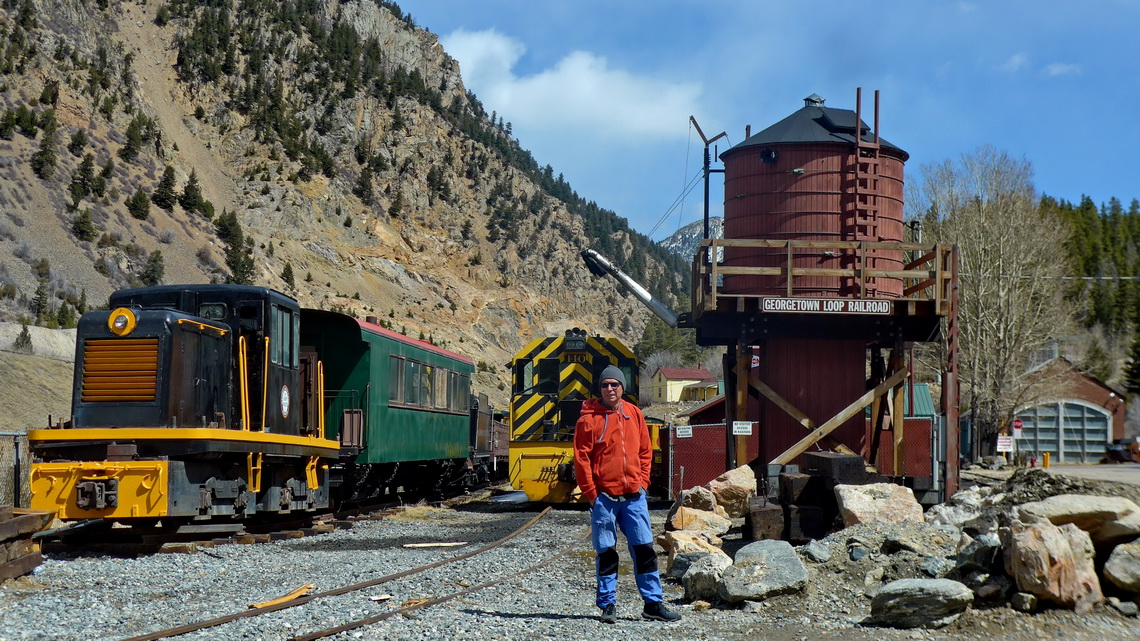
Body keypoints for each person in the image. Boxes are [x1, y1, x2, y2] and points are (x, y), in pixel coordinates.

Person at [573, 364, 680, 624]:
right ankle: (608, 605)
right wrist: (592, 494)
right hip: (605, 500)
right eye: (605, 385)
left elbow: (646, 450)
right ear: (599, 389)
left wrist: (643, 483)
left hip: (634, 498)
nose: (610, 389)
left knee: (644, 550)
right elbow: (581, 460)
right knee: (607, 553)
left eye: (615, 384)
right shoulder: (587, 420)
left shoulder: (634, 413)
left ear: (623, 387)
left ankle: (653, 604)